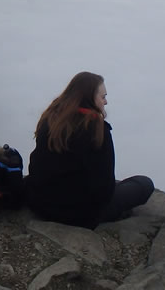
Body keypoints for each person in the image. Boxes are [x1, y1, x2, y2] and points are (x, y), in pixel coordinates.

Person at [26, 71, 154, 229]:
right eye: (103, 97)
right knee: (144, 184)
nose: (106, 102)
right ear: (90, 98)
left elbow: (36, 165)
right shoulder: (97, 129)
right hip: (79, 215)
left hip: (41, 205)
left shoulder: (51, 118)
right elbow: (104, 188)